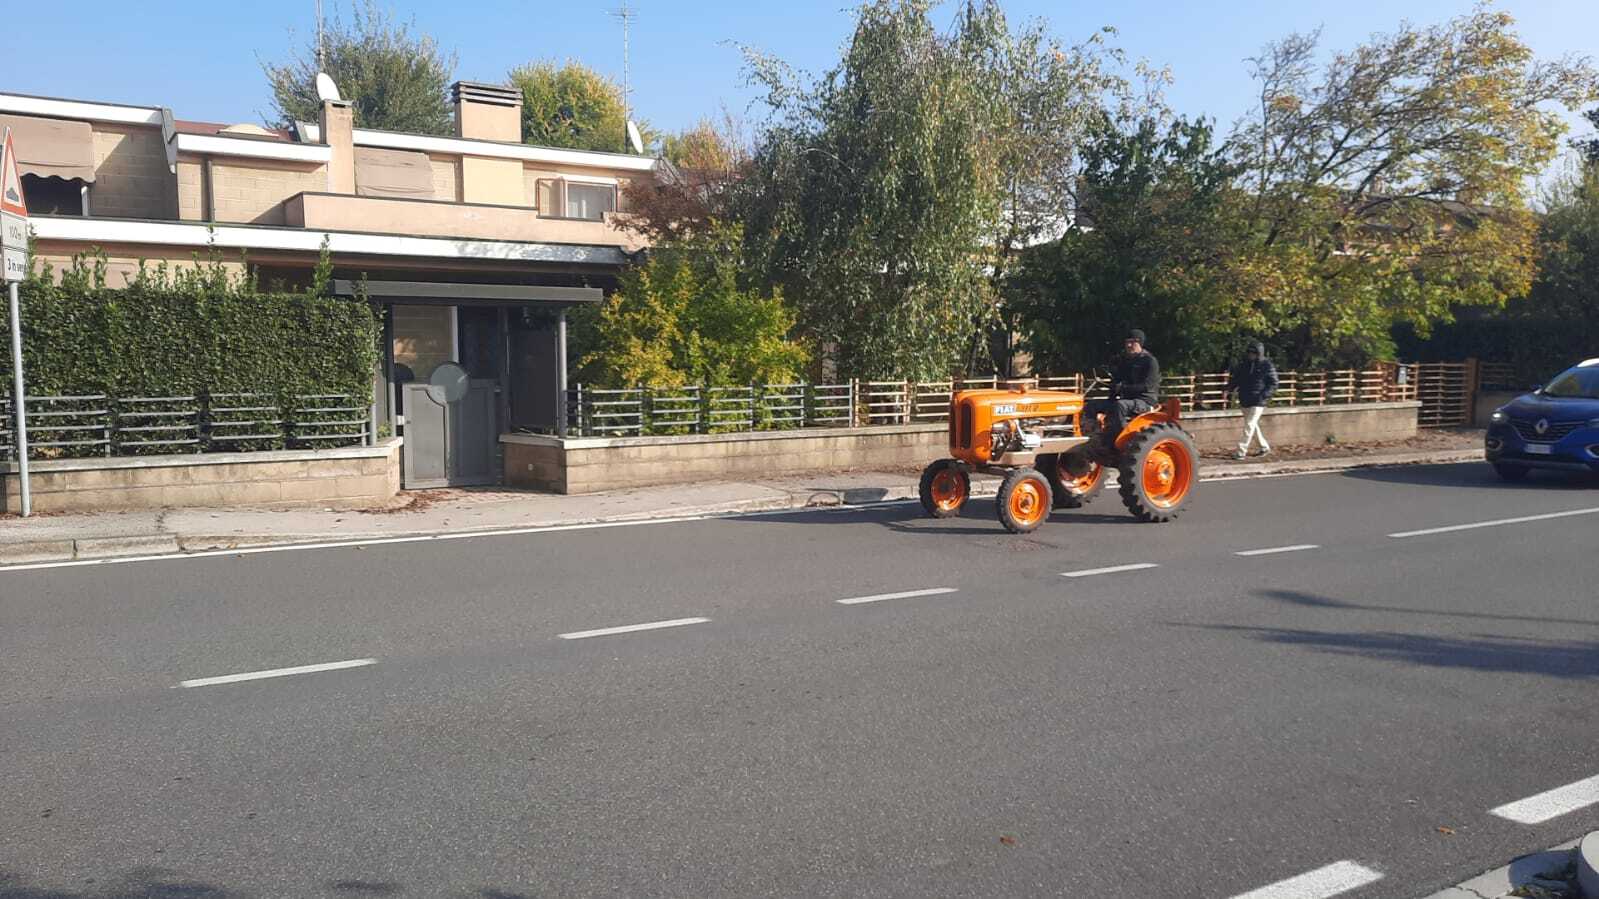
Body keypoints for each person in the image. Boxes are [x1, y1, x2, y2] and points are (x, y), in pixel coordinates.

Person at [1086, 329, 1160, 447]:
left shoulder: (1150, 362)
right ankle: (1092, 437)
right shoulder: (1124, 361)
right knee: (1091, 405)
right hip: (1126, 399)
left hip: (1145, 401)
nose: (1129, 345)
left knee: (1120, 406)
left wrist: (1123, 388)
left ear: (1140, 343)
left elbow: (1147, 386)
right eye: (1127, 342)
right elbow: (1117, 381)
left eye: (1132, 342)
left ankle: (1124, 440)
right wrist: (1112, 394)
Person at [1226, 341, 1278, 459]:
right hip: (1245, 398)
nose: (1251, 354)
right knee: (1252, 426)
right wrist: (1228, 389)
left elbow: (1273, 383)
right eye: (1249, 352)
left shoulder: (1267, 365)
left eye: (1253, 352)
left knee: (1249, 425)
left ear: (1259, 353)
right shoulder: (1244, 364)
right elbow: (1236, 379)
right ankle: (1264, 447)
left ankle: (1241, 451)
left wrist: (1263, 395)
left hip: (1258, 401)